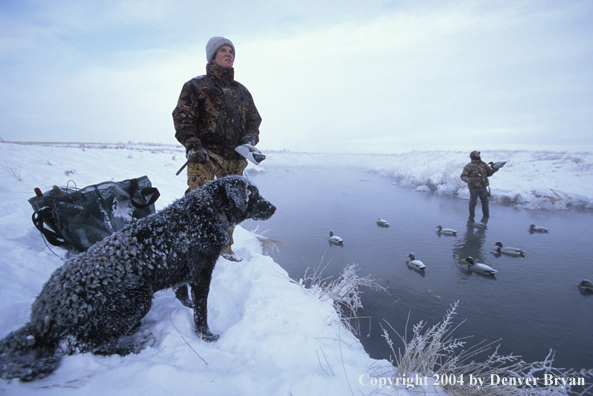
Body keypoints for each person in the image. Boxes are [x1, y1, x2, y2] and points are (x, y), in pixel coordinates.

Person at [172, 36, 261, 260]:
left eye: (231, 50)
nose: (228, 53)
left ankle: (224, 250)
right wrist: (193, 145)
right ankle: (193, 250)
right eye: (223, 50)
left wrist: (249, 139)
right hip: (205, 156)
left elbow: (254, 121)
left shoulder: (242, 91)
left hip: (235, 159)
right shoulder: (195, 86)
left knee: (231, 206)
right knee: (199, 202)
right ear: (212, 56)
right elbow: (183, 118)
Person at [460, 150, 498, 223]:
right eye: (477, 154)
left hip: (483, 187)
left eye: (479, 154)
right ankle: (471, 217)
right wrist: (468, 179)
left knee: (485, 202)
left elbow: (489, 173)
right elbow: (463, 176)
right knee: (473, 202)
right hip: (474, 187)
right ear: (473, 156)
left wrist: (495, 169)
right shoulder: (468, 166)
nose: (478, 155)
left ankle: (486, 216)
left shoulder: (483, 165)